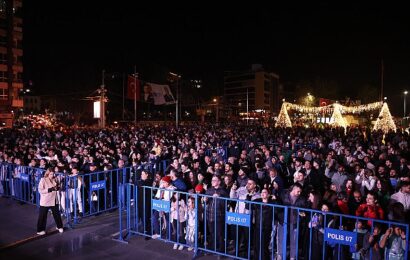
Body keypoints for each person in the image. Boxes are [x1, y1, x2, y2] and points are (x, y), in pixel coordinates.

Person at [37, 168, 64, 235]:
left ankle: (59, 226)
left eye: (53, 174)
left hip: (54, 200)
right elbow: (40, 190)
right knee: (42, 215)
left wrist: (58, 188)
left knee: (57, 214)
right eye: (51, 174)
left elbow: (58, 187)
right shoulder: (43, 180)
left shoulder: (55, 179)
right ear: (47, 174)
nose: (52, 175)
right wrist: (50, 189)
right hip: (45, 200)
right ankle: (40, 230)